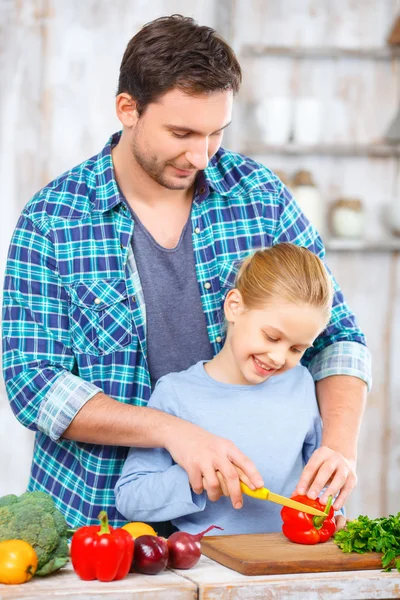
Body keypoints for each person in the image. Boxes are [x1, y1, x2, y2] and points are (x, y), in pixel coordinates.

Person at [2, 14, 370, 529]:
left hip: (248, 533)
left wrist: (339, 448)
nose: (200, 154)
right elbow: (33, 384)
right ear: (127, 109)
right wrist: (173, 430)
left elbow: (339, 339)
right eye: (181, 132)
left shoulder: (259, 195)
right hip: (101, 520)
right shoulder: (54, 218)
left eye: (215, 133)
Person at [115, 243, 346, 534]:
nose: (278, 357)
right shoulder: (175, 394)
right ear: (234, 306)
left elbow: (324, 482)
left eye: (297, 348)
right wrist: (194, 479)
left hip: (292, 563)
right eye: (272, 337)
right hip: (208, 570)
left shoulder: (301, 384)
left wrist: (334, 508)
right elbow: (130, 498)